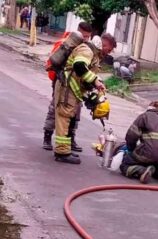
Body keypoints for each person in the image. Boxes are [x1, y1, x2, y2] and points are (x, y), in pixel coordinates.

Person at [53, 33, 116, 164]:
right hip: (67, 88)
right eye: (108, 49)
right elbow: (79, 66)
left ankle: (66, 150)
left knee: (68, 119)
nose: (108, 53)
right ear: (103, 45)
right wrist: (95, 81)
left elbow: (86, 72)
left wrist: (95, 82)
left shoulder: (93, 53)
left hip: (72, 89)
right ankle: (61, 152)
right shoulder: (87, 50)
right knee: (64, 118)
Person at [42, 22, 93, 152]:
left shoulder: (83, 47)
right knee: (55, 110)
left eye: (88, 37)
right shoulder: (65, 43)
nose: (86, 39)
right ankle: (47, 137)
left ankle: (71, 139)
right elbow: (52, 62)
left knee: (75, 112)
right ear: (79, 32)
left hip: (75, 85)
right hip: (60, 81)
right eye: (85, 36)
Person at [120, 101, 158, 184]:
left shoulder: (144, 116)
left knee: (125, 164)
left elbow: (131, 135)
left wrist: (131, 149)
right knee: (156, 165)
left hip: (148, 153)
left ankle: (142, 171)